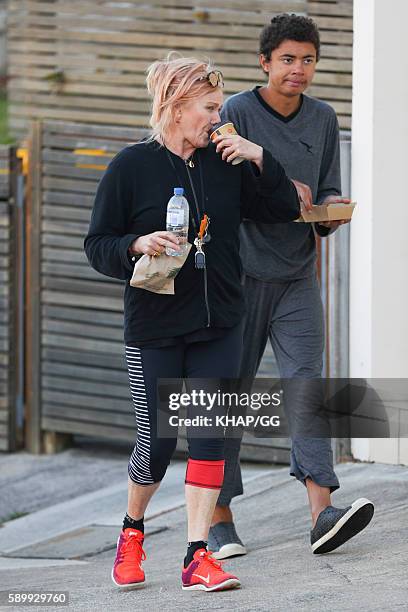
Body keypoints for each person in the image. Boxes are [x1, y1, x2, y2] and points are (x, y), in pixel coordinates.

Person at [84, 53, 300, 592]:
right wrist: (136, 243)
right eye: (208, 107)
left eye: (218, 106)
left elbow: (279, 208)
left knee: (211, 438)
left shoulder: (227, 162)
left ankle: (196, 555)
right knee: (156, 443)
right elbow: (97, 244)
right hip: (155, 327)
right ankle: (132, 531)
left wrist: (258, 156)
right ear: (176, 107)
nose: (217, 117)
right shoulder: (131, 166)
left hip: (220, 322)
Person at [208, 14, 374, 560]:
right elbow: (227, 191)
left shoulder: (323, 117)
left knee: (309, 384)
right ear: (264, 62)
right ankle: (219, 515)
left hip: (297, 273)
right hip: (240, 275)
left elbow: (325, 185)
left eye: (307, 59)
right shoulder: (234, 112)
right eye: (287, 59)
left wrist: (329, 213)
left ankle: (321, 511)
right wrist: (280, 183)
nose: (298, 69)